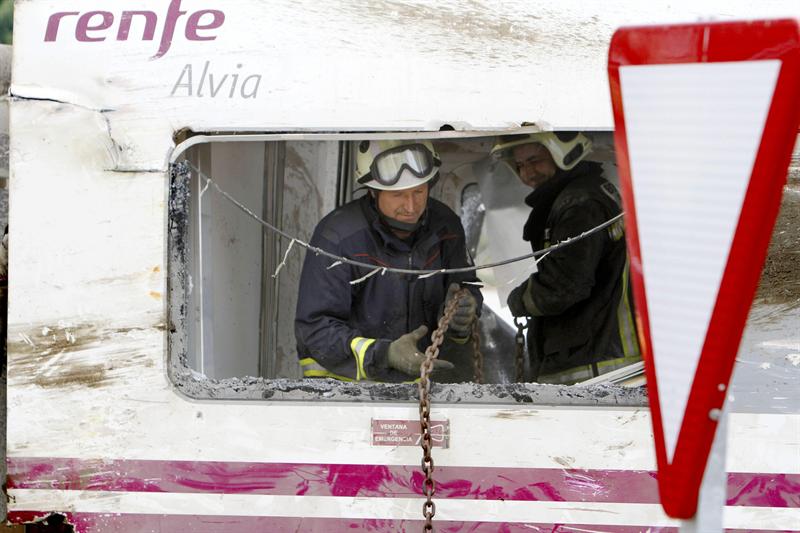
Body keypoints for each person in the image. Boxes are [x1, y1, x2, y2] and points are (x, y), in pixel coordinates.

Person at [295, 140, 482, 382]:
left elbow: (466, 286)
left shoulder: (446, 226)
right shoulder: (338, 237)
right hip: (345, 393)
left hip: (426, 390)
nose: (411, 206)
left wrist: (463, 312)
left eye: (419, 191)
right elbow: (315, 329)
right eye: (398, 195)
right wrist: (384, 355)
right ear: (373, 192)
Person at [491, 132, 639, 384]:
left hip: (596, 365)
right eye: (520, 165)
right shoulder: (584, 194)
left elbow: (565, 285)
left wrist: (519, 300)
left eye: (535, 160)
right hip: (599, 356)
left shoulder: (580, 205)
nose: (528, 173)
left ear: (562, 154)